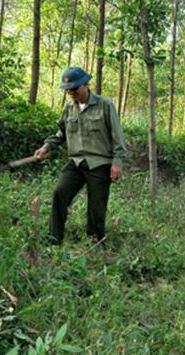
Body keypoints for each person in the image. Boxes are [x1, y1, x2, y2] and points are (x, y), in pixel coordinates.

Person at [33, 67, 126, 245]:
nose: (71, 94)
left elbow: (118, 137)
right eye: (68, 91)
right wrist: (46, 147)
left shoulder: (105, 105)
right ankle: (54, 239)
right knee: (59, 193)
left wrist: (117, 162)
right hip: (76, 162)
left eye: (74, 89)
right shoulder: (69, 107)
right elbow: (61, 133)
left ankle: (95, 243)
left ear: (86, 85)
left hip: (99, 163)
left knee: (96, 208)